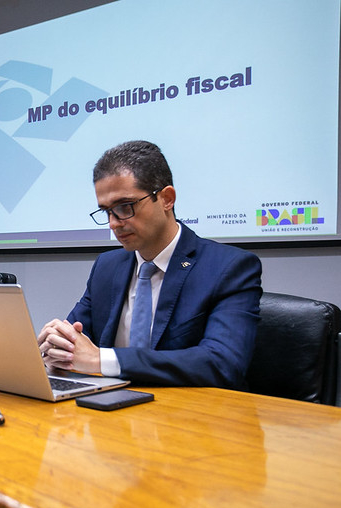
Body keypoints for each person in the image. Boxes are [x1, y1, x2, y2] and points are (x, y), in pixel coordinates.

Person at [37, 140, 262, 388]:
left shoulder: (229, 267)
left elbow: (223, 363)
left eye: (125, 207)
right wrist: (57, 346)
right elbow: (76, 344)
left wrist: (101, 360)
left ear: (167, 199)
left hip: (189, 408)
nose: (113, 223)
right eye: (106, 211)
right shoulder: (106, 266)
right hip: (109, 405)